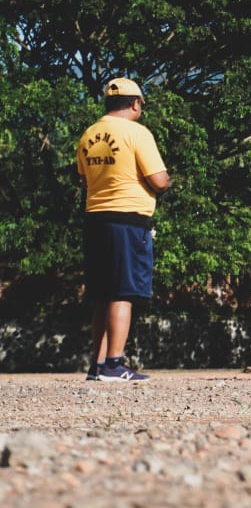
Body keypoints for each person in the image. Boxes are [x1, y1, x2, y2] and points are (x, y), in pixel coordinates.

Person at [77, 77, 170, 382]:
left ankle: (98, 365)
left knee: (102, 293)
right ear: (135, 103)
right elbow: (159, 180)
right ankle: (115, 365)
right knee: (123, 292)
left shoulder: (88, 134)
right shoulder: (137, 133)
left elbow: (84, 179)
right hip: (128, 220)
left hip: (95, 219)